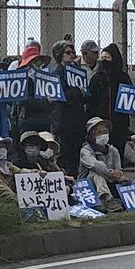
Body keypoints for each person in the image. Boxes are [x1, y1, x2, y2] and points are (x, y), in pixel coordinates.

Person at [49, 40, 88, 177]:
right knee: (65, 154)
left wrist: (83, 93)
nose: (72, 55)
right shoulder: (56, 73)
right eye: (68, 53)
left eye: (73, 52)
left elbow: (84, 97)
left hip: (77, 120)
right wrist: (78, 91)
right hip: (64, 121)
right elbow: (60, 96)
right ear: (59, 55)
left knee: (76, 153)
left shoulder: (77, 72)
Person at [87, 43, 132, 155]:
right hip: (101, 122)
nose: (104, 61)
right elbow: (91, 101)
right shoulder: (97, 78)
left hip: (119, 121)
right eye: (102, 58)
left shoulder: (123, 77)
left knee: (118, 149)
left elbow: (130, 98)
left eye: (107, 58)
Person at [78, 118, 125, 212]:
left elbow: (118, 168)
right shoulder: (85, 150)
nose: (102, 134)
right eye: (99, 132)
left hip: (110, 181)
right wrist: (110, 173)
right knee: (96, 172)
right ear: (91, 136)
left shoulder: (113, 150)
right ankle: (108, 199)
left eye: (105, 132)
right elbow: (95, 165)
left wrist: (119, 174)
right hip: (88, 186)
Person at [12, 46, 54, 136]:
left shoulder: (45, 78)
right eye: (35, 61)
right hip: (29, 122)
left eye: (39, 61)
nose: (39, 64)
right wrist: (45, 101)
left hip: (44, 122)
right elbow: (23, 100)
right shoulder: (22, 79)